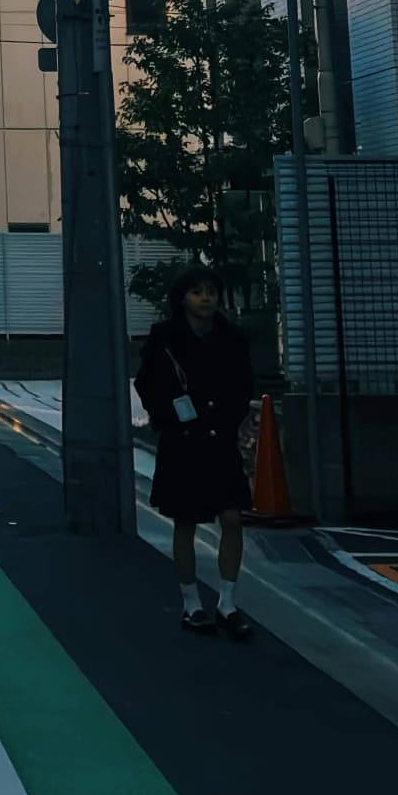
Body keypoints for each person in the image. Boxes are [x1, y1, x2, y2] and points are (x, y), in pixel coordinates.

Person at [134, 266, 256, 640]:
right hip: (182, 438)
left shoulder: (231, 338)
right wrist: (168, 416)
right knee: (185, 521)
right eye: (197, 292)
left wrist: (231, 419)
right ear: (182, 298)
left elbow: (244, 383)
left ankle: (227, 603)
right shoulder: (165, 337)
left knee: (232, 518)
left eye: (211, 292)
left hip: (219, 438)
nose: (206, 299)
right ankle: (191, 604)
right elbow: (146, 383)